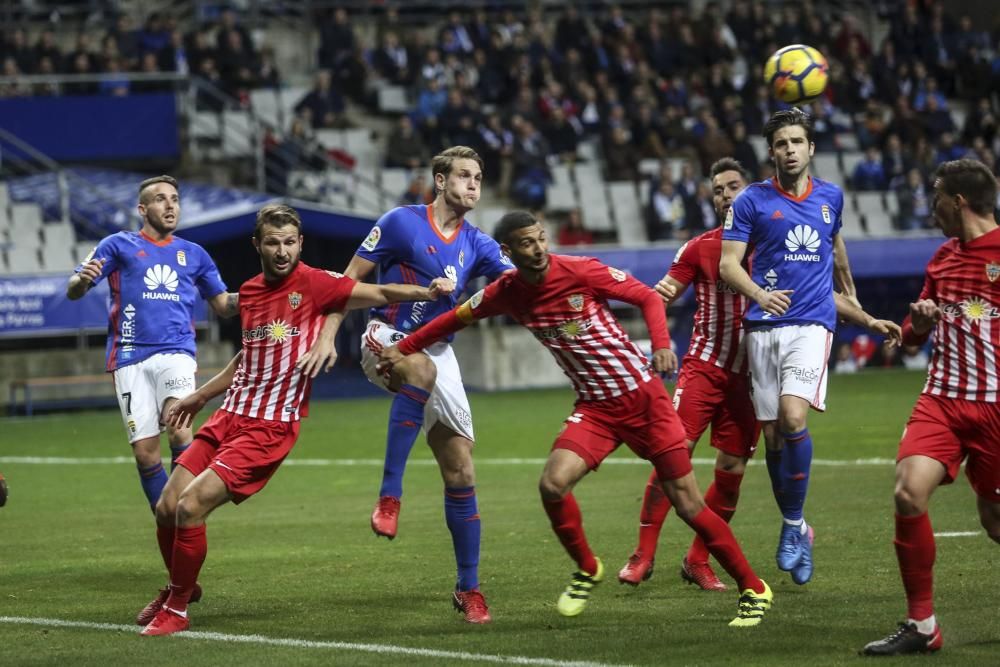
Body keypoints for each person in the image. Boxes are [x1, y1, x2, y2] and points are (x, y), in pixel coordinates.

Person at [379, 210, 775, 628]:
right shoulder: (506, 291)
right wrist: (405, 347)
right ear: (508, 251)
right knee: (552, 484)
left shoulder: (581, 270)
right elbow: (453, 318)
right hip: (595, 409)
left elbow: (644, 296)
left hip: (644, 400)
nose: (538, 249)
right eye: (527, 243)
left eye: (541, 239)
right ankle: (588, 568)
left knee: (688, 504)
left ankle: (754, 588)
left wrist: (661, 345)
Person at [136, 204, 455, 636]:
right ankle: (183, 586)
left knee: (191, 507)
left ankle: (176, 609)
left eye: (289, 242)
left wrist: (427, 294)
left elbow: (378, 294)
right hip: (229, 416)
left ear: (300, 243)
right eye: (273, 242)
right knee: (166, 508)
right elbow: (249, 355)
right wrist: (200, 395)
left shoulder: (315, 283)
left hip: (269, 428)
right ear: (257, 245)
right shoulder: (249, 291)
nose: (282, 251)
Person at [620, 158, 901, 590]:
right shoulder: (700, 248)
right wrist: (642, 320)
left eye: (733, 186)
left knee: (732, 468)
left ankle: (698, 560)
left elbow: (821, 294)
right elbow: (662, 294)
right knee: (671, 455)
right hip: (704, 367)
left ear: (749, 191)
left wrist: (867, 320)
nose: (726, 195)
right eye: (717, 190)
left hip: (752, 375)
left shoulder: (774, 241)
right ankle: (643, 554)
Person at [307, 146, 512, 624]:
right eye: (464, 175)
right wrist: (328, 336)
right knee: (419, 370)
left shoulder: (478, 243)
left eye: (478, 177)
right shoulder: (400, 222)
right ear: (439, 181)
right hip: (387, 337)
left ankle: (469, 588)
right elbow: (345, 284)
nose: (473, 185)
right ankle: (389, 494)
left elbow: (521, 281)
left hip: (439, 350)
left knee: (460, 469)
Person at [862, 159, 1000, 656]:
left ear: (958, 201)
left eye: (937, 195)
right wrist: (919, 321)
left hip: (996, 408)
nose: (931, 204)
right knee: (907, 492)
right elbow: (916, 340)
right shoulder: (941, 258)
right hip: (941, 400)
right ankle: (923, 625)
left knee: (995, 520)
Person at [720, 109, 860, 587]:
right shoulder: (751, 202)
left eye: (798, 141)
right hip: (763, 327)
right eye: (782, 144)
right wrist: (758, 295)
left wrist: (852, 297)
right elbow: (728, 265)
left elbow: (836, 246)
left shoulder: (831, 197)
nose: (791, 150)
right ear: (772, 152)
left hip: (811, 325)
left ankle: (789, 525)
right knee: (774, 438)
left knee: (792, 417)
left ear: (811, 148)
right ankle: (800, 526)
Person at [66, 175, 239, 514]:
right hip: (129, 355)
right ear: (143, 209)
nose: (170, 204)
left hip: (177, 352)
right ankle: (167, 519)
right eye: (161, 199)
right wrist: (80, 281)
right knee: (145, 454)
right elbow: (75, 288)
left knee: (177, 427)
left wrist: (258, 294)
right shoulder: (118, 244)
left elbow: (222, 304)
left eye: (175, 198)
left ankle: (184, 509)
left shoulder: (194, 254)